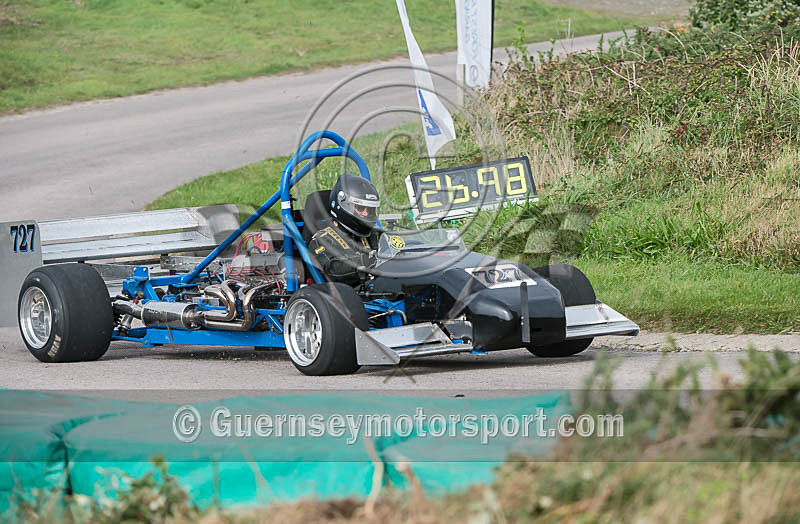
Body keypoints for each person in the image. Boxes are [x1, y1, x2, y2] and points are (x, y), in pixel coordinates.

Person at [308, 173, 381, 286]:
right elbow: (334, 269)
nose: (366, 213)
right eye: (360, 208)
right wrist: (368, 260)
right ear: (342, 204)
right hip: (349, 297)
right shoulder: (322, 239)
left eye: (370, 209)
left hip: (383, 290)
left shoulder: (374, 234)